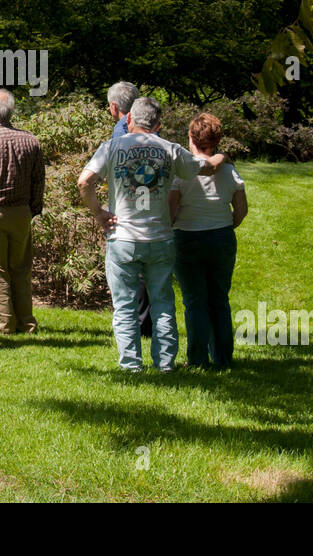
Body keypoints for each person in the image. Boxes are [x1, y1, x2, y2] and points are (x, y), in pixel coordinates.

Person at [78, 97, 226, 372]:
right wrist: (219, 157)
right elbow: (204, 167)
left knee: (124, 306)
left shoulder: (111, 147)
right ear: (158, 125)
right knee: (163, 303)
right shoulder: (170, 149)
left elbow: (84, 181)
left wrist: (99, 212)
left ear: (129, 120)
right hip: (159, 238)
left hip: (122, 238)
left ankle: (131, 366)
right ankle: (165, 364)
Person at [169, 113, 247, 369]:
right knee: (219, 299)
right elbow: (241, 209)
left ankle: (198, 359)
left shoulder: (183, 171)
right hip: (222, 235)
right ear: (216, 140)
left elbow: (171, 210)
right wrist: (226, 224)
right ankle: (223, 358)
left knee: (194, 301)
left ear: (191, 138)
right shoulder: (229, 170)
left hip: (188, 237)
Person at [0, 88, 44, 335]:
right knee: (21, 268)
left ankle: (2, 324)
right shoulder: (31, 140)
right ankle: (26, 322)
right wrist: (33, 210)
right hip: (21, 212)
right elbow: (38, 180)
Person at [106, 81, 152, 338]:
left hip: (131, 206)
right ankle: (142, 323)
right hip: (147, 205)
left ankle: (137, 325)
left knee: (130, 271)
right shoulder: (149, 127)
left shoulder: (122, 132)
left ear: (114, 106)